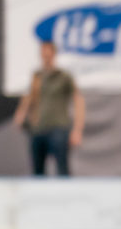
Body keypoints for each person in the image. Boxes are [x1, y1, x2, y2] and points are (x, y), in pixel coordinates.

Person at [13, 40, 85, 176]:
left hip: (59, 128)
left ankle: (65, 195)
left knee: (62, 170)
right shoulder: (37, 76)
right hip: (38, 128)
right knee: (37, 171)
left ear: (54, 55)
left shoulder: (64, 76)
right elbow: (29, 97)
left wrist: (77, 129)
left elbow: (78, 100)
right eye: (43, 54)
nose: (45, 57)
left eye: (48, 54)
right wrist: (21, 114)